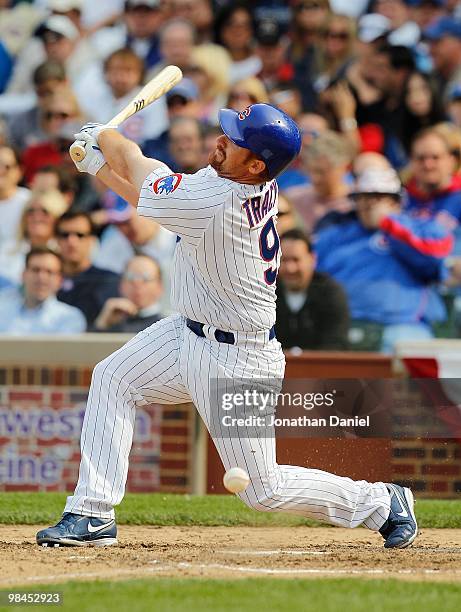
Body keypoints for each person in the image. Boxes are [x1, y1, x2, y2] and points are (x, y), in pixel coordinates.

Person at [37, 103, 417, 549]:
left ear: (256, 164)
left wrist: (108, 138)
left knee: (263, 491)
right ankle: (92, 512)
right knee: (113, 377)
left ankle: (381, 503)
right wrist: (101, 166)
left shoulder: (222, 201)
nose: (221, 141)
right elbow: (153, 197)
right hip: (187, 331)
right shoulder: (232, 179)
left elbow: (144, 171)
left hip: (239, 358)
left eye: (235, 141)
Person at [315, 168, 453, 353]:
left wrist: (390, 225)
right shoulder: (335, 236)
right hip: (345, 326)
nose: (369, 203)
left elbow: (433, 258)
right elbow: (310, 271)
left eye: (378, 196)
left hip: (403, 326)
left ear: (397, 201)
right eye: (363, 197)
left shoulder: (422, 228)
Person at [276, 229, 349, 351]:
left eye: (296, 260)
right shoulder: (267, 295)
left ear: (312, 259)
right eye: (284, 260)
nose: (290, 268)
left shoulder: (331, 293)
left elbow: (336, 342)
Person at [55, 210, 120, 327]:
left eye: (80, 235)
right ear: (56, 240)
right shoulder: (45, 279)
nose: (71, 242)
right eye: (65, 235)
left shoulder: (109, 281)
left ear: (92, 240)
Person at [0, 246, 86, 334]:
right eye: (35, 270)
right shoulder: (2, 312)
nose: (41, 277)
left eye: (49, 272)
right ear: (23, 275)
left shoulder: (70, 317)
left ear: (59, 281)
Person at [93, 255, 165, 332]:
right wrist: (101, 325)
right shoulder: (111, 321)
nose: (137, 283)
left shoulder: (168, 327)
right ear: (121, 285)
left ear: (159, 286)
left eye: (145, 278)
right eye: (131, 277)